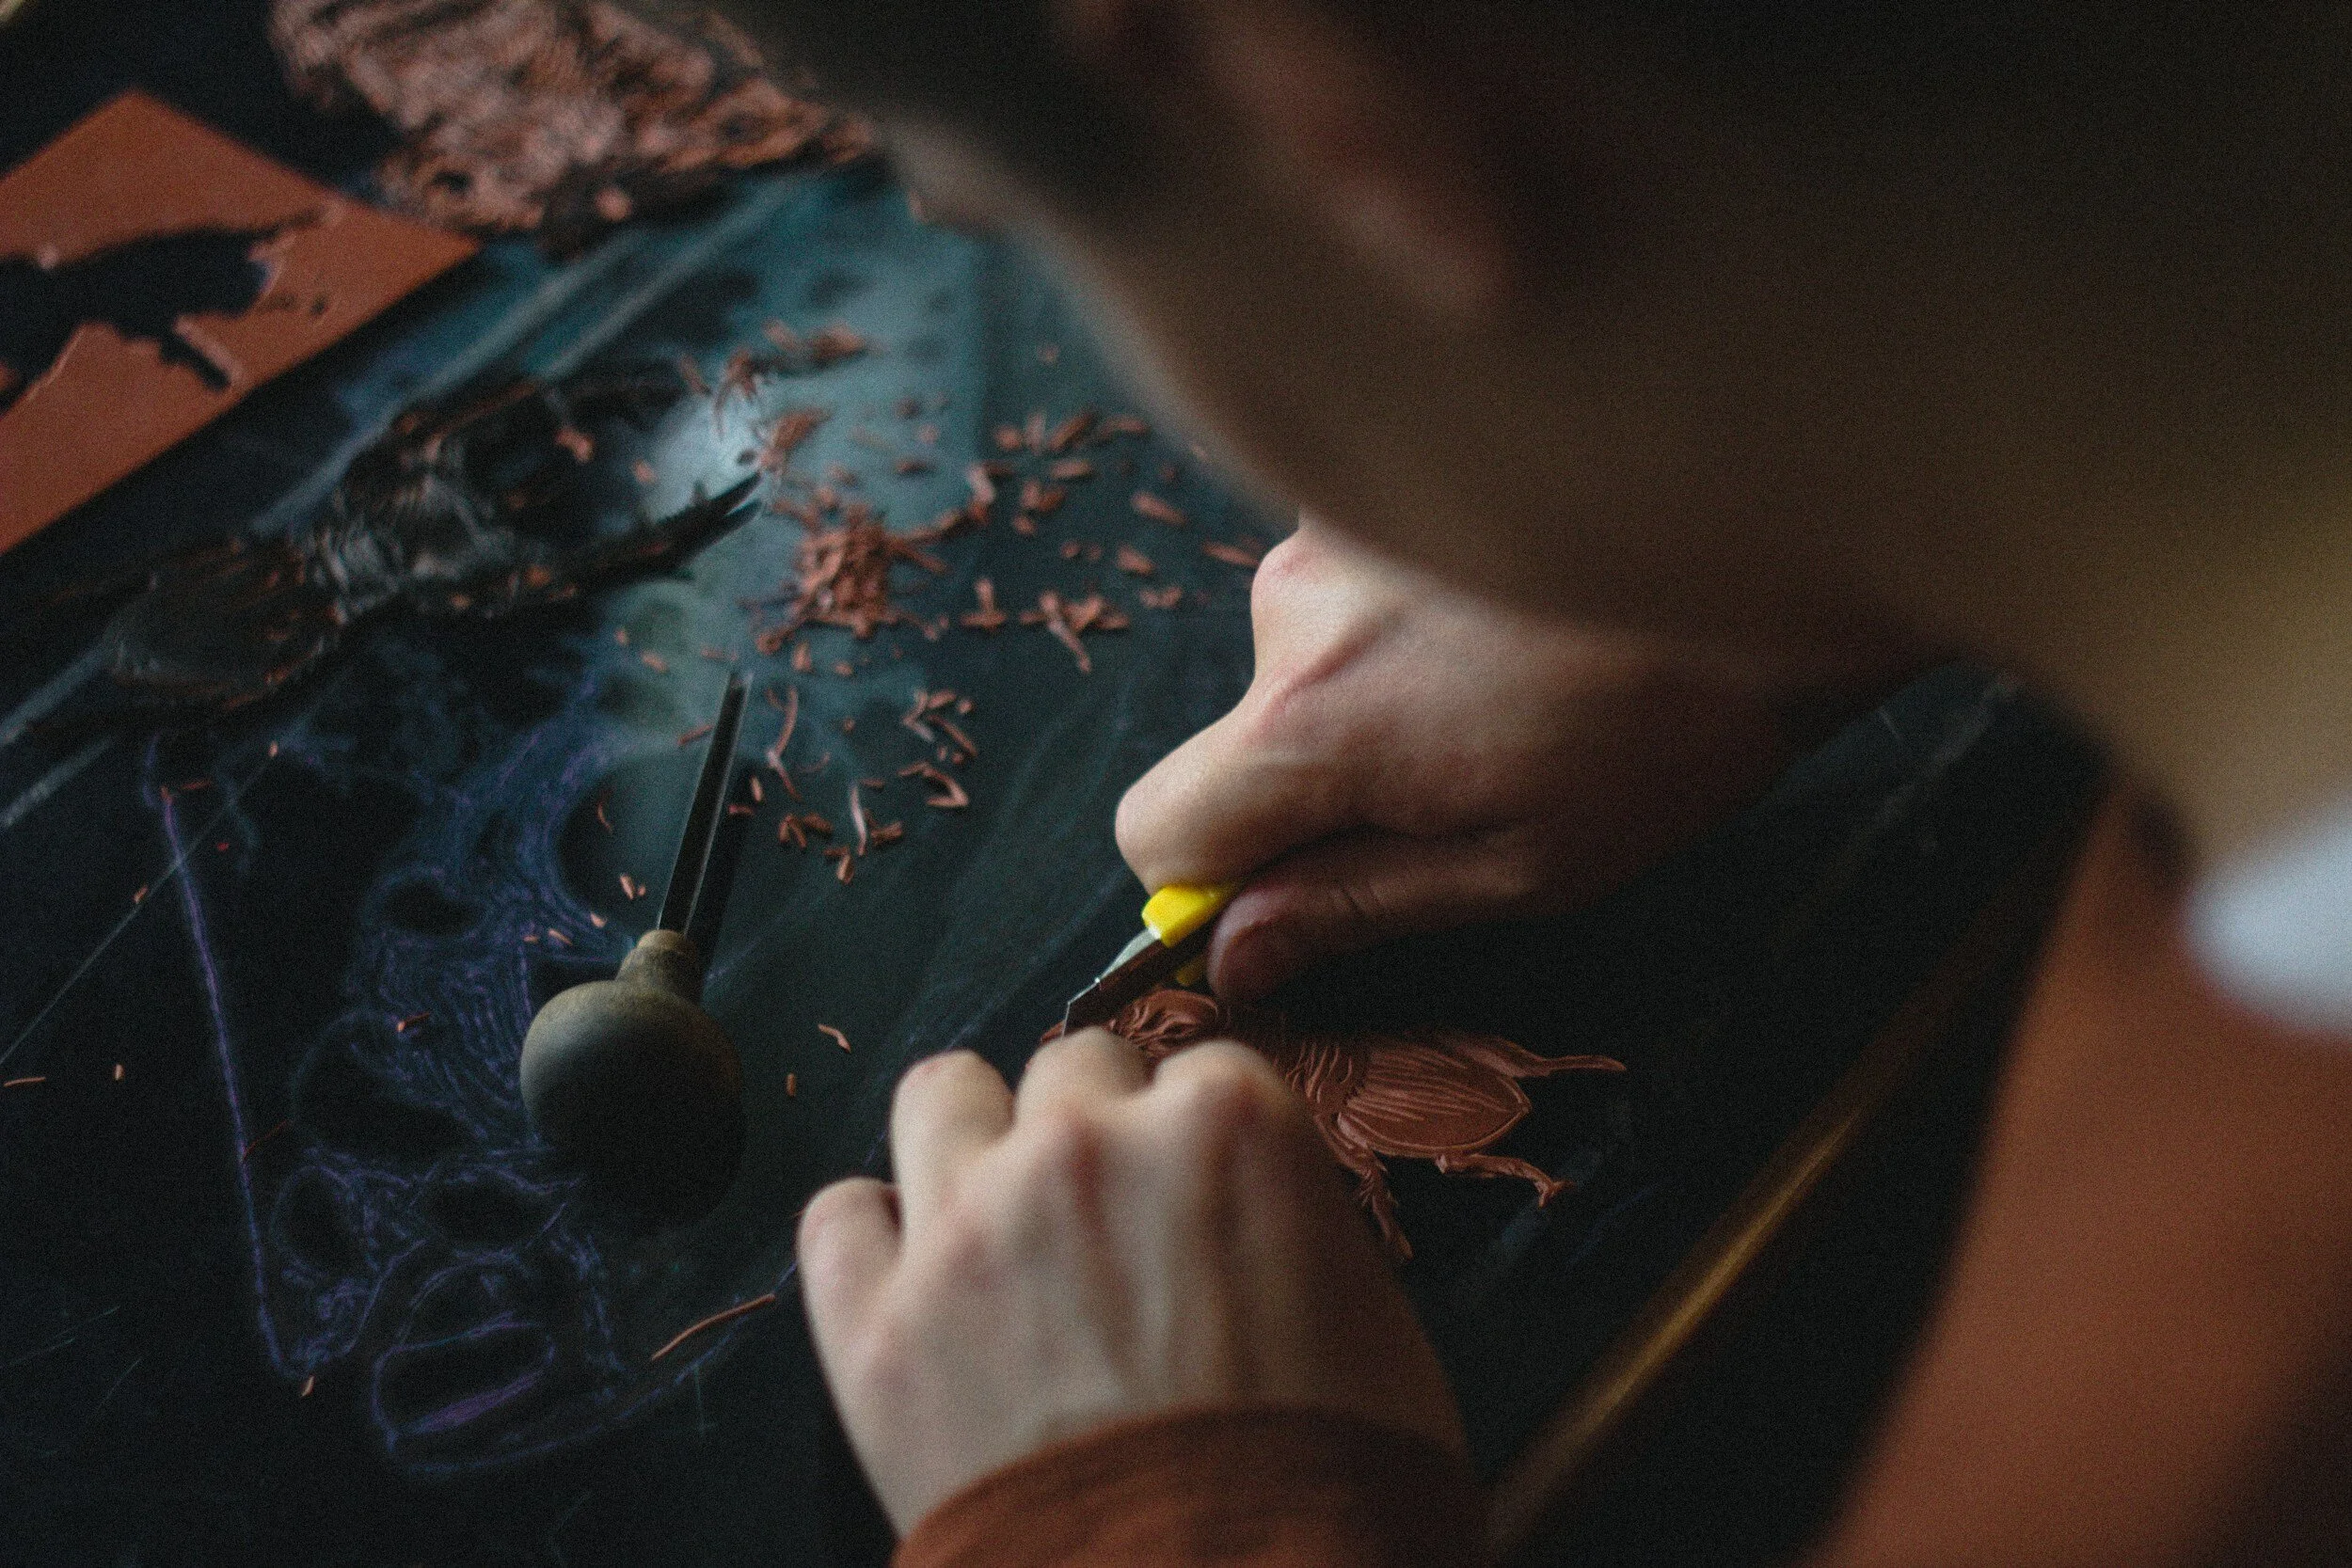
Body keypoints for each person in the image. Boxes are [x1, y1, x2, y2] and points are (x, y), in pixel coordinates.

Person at [709, 3, 2352, 1562]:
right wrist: (1820, 536)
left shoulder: (2195, 1432)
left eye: (1025, 227)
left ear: (1327, 111)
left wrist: (1168, 1512)